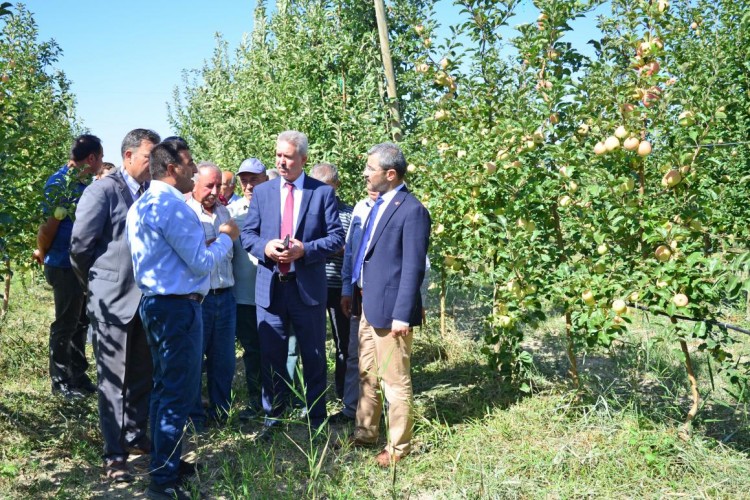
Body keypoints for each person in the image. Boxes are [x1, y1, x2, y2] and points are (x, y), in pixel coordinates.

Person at [127, 138, 239, 500]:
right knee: (176, 393)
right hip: (177, 309)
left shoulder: (142, 204)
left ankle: (168, 461)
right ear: (172, 168)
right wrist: (226, 238)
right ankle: (163, 482)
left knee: (164, 389)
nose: (194, 170)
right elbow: (202, 262)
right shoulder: (173, 208)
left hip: (159, 306)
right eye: (189, 164)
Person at [70, 128, 159, 482]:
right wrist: (96, 283)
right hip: (111, 302)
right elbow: (80, 247)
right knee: (112, 382)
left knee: (141, 375)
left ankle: (136, 436)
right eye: (148, 157)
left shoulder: (152, 194)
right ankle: (114, 455)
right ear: (128, 156)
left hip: (146, 301)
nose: (154, 164)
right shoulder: (103, 190)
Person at [241, 130, 344, 433]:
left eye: (287, 156)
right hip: (270, 289)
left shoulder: (321, 193)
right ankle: (274, 418)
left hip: (306, 289)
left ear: (303, 159)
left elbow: (337, 236)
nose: (281, 162)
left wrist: (305, 250)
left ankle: (316, 419)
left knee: (313, 355)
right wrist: (265, 248)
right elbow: (248, 235)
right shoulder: (263, 192)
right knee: (271, 357)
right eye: (278, 155)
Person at [346, 142, 430, 467]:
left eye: (371, 168)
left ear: (390, 174)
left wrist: (401, 315)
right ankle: (365, 432)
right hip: (370, 307)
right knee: (367, 372)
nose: (366, 173)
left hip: (392, 313)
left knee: (394, 382)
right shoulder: (377, 205)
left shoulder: (412, 210)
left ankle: (398, 448)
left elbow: (413, 268)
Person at [33, 134, 103, 400]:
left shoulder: (81, 184)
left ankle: (78, 375)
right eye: (101, 157)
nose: (102, 163)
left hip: (78, 265)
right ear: (91, 158)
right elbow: (47, 228)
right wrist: (44, 252)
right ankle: (60, 382)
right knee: (65, 323)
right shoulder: (60, 184)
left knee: (80, 321)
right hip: (63, 264)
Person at [187, 161, 236, 428]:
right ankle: (195, 418)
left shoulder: (224, 212)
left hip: (225, 296)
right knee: (194, 360)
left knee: (224, 361)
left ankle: (220, 414)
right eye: (209, 185)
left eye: (219, 185)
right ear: (195, 183)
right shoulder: (186, 213)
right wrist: (218, 241)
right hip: (199, 299)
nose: (215, 191)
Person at [308, 163, 352, 411]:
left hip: (338, 286)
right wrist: (333, 246)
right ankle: (314, 395)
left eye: (325, 187)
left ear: (336, 186)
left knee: (343, 342)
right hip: (312, 284)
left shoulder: (348, 212)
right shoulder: (307, 211)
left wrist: (323, 247)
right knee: (312, 342)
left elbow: (350, 248)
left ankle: (343, 392)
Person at [227, 158, 268, 420]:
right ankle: (256, 400)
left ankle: (281, 397)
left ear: (265, 179)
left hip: (273, 293)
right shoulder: (232, 213)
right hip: (243, 295)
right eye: (245, 179)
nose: (249, 184)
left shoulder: (276, 207)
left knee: (279, 348)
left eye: (254, 178)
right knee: (252, 351)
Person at [337, 189, 379, 423]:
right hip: (358, 293)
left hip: (385, 297)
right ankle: (351, 408)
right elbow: (350, 252)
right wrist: (346, 289)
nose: (368, 182)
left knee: (384, 358)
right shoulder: (360, 208)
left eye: (373, 173)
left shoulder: (404, 208)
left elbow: (418, 262)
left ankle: (380, 410)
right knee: (355, 353)